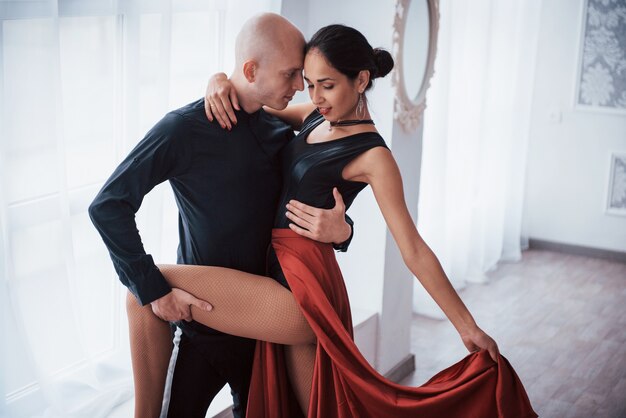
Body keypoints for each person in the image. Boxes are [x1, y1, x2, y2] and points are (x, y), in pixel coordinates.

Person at [130, 23, 537, 417]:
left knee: (142, 289)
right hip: (273, 271)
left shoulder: (375, 156)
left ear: (361, 80)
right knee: (317, 408)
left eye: (328, 85)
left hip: (303, 280)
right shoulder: (315, 117)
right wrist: (218, 79)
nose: (316, 95)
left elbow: (412, 248)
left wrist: (467, 326)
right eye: (309, 83)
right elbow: (253, 97)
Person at [88, 13, 354, 418]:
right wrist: (153, 289)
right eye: (290, 74)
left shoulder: (282, 132)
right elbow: (108, 204)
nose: (299, 86)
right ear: (251, 69)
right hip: (201, 324)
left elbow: (318, 203)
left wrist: (344, 230)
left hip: (265, 329)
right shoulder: (183, 129)